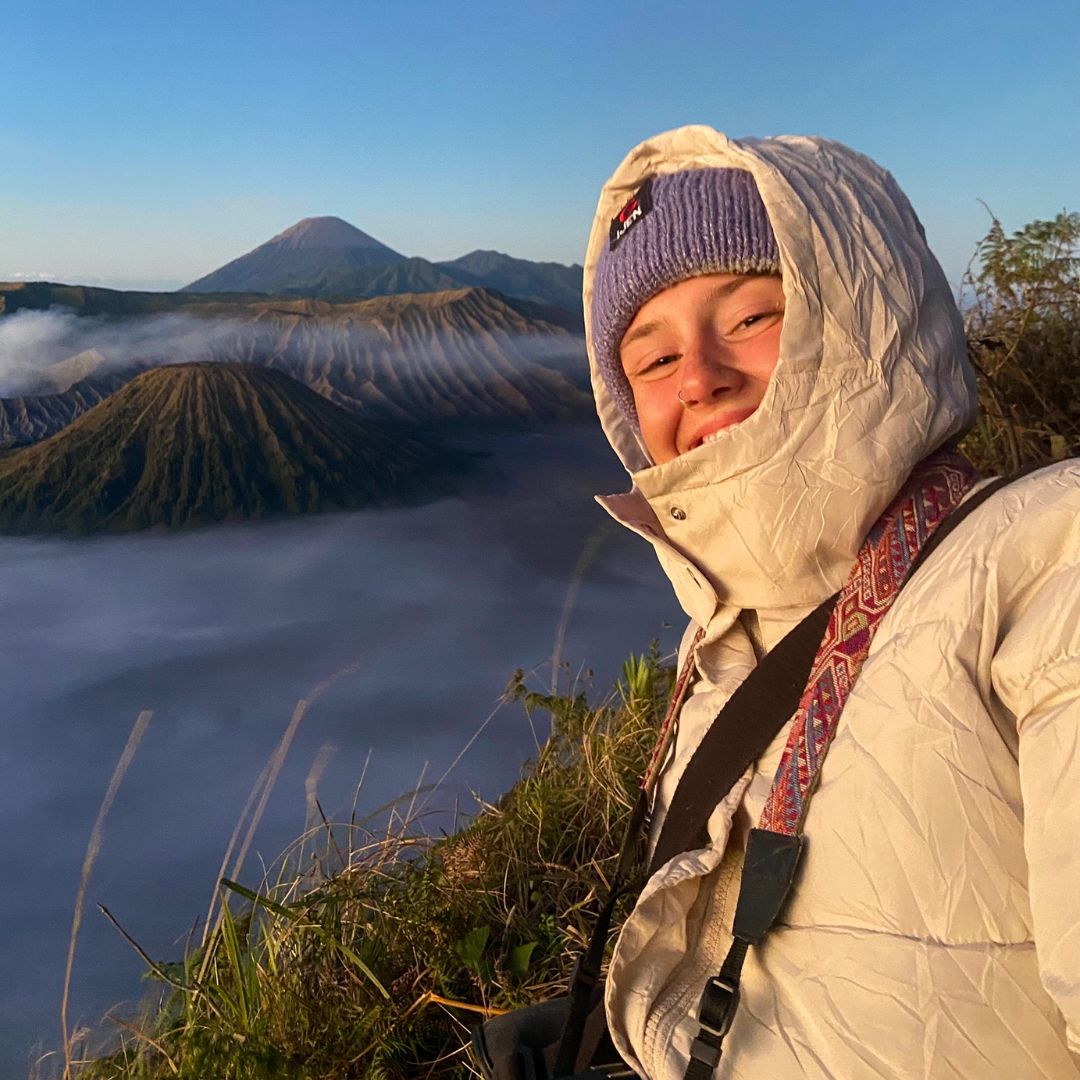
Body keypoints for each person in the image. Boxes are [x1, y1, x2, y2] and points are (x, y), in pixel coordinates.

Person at [582, 126, 1080, 1078]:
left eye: (752, 316)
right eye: (650, 360)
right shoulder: (723, 641)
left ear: (864, 318)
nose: (698, 377)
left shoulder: (1047, 561)